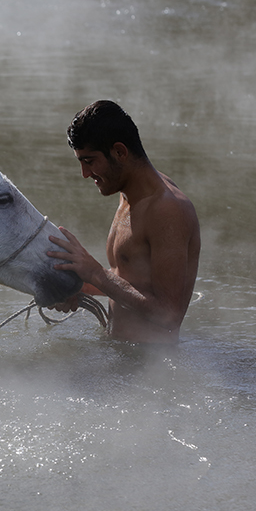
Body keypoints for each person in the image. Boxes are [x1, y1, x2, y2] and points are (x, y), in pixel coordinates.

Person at [47, 100, 200, 344]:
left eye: (89, 161)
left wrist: (96, 273)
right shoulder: (128, 193)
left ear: (119, 152)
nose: (85, 174)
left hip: (148, 366)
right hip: (120, 354)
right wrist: (77, 285)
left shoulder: (168, 210)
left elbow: (168, 314)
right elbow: (131, 280)